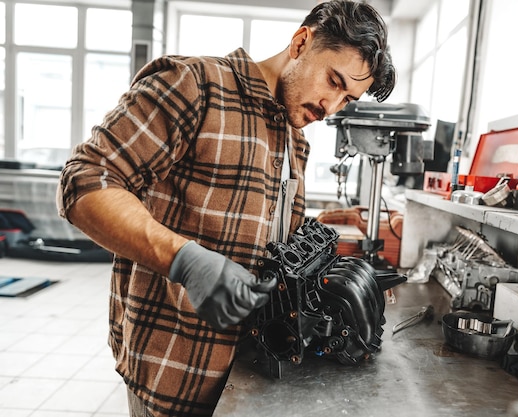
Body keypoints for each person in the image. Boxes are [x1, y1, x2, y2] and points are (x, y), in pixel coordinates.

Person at [56, 0, 396, 415]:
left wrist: (326, 237)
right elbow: (85, 179)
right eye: (332, 80)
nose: (330, 107)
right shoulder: (195, 85)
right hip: (175, 373)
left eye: (347, 99)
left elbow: (260, 232)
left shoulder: (295, 138)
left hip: (249, 373)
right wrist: (185, 260)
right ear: (301, 41)